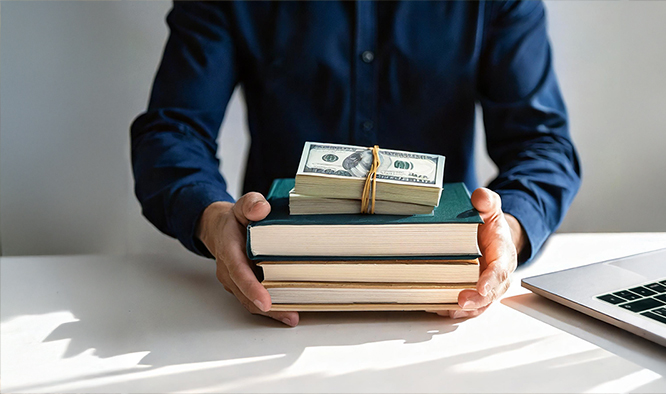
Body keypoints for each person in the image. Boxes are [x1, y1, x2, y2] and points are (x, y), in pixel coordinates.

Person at [131, 1, 581, 327]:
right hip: (276, 297)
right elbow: (174, 129)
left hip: (445, 304)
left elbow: (543, 144)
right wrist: (211, 219)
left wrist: (511, 229)